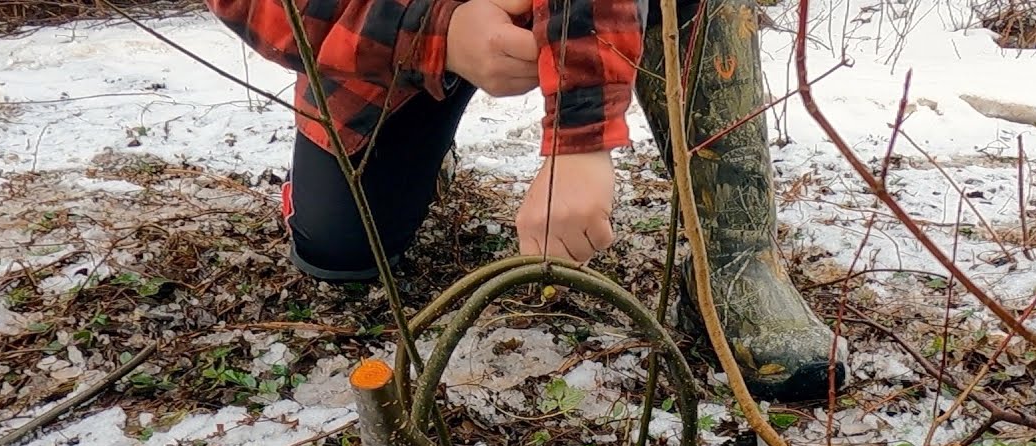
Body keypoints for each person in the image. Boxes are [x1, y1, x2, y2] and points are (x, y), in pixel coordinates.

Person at [203, 0, 847, 401]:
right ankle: (422, 151)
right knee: (338, 249)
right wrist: (439, 32)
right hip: (392, 32)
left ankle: (737, 258)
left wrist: (579, 135)